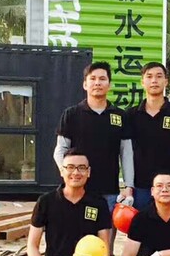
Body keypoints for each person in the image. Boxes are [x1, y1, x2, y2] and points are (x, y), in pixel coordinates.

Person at [53, 61, 134, 215]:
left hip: (109, 192)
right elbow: (60, 151)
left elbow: (127, 154)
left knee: (106, 231)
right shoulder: (71, 114)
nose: (97, 83)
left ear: (109, 85)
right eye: (93, 78)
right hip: (77, 191)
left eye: (102, 79)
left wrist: (128, 187)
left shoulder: (120, 116)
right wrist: (68, 175)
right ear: (85, 84)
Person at [128, 62, 170, 211]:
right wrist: (128, 186)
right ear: (142, 82)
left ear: (166, 81)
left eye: (159, 76)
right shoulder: (131, 115)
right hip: (140, 186)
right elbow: (125, 152)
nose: (154, 81)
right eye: (149, 77)